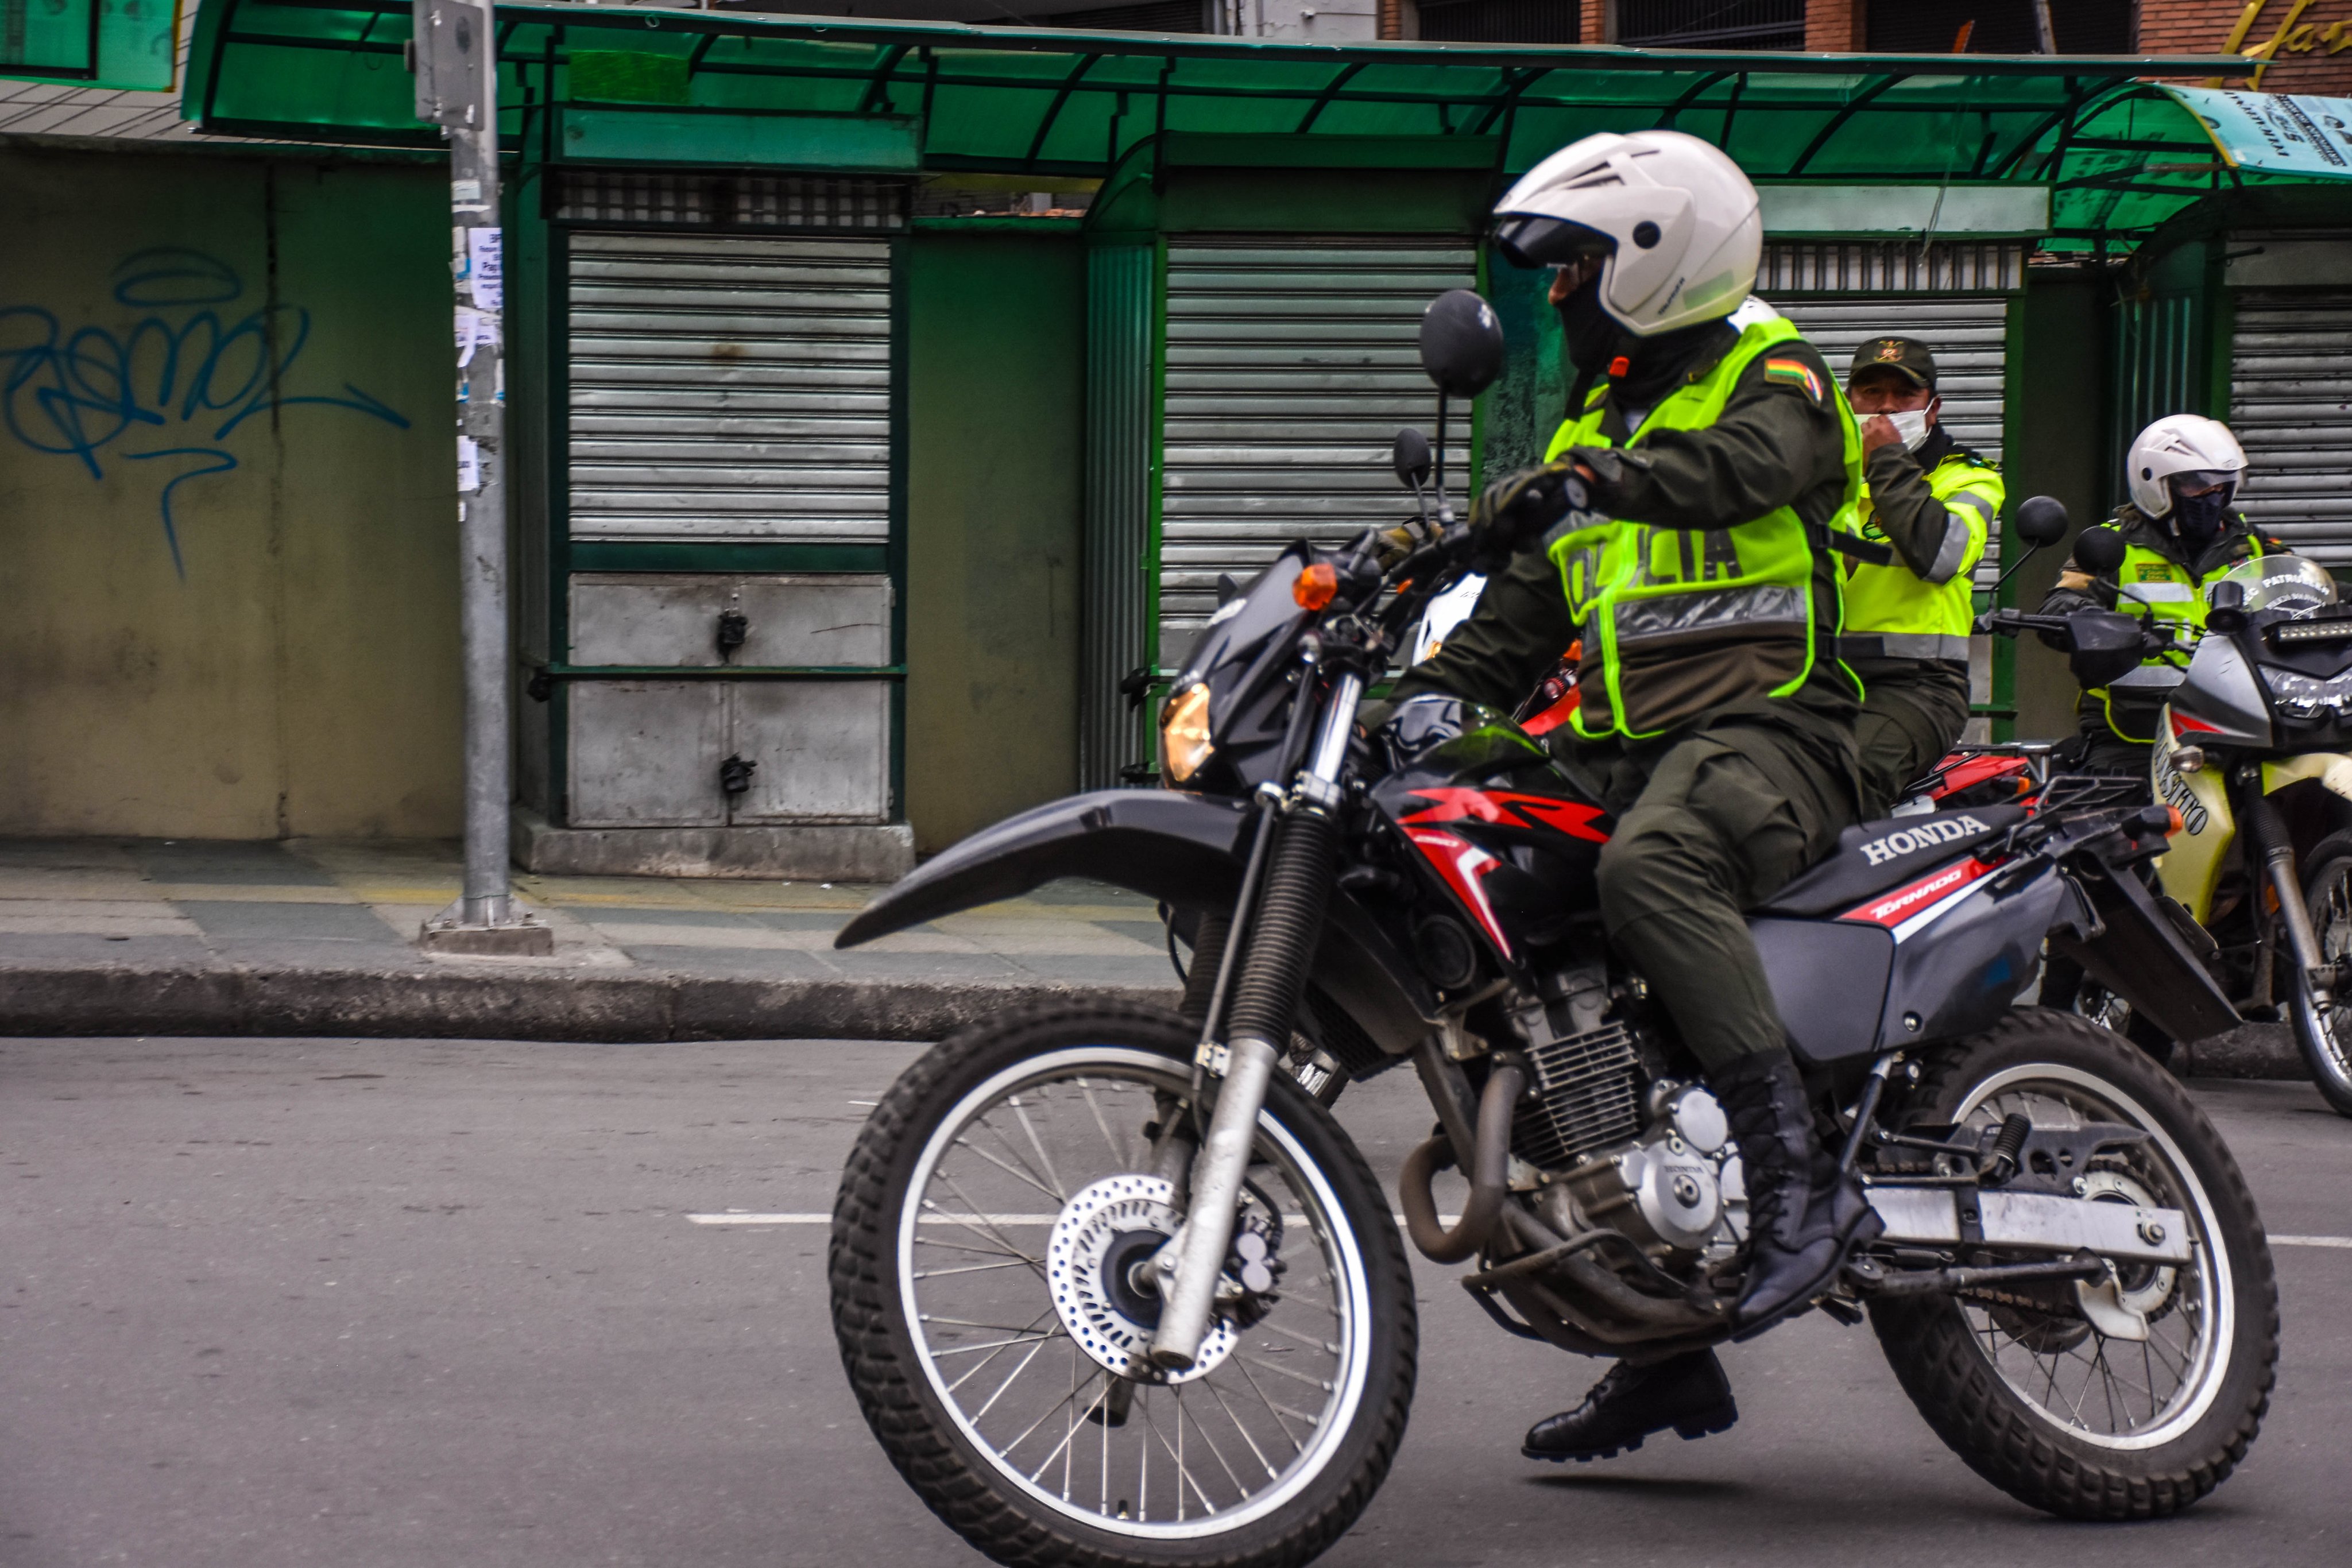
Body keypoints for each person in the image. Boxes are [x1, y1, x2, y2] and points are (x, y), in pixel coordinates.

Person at [1387, 129, 1878, 1465]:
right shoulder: (1595, 422)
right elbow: (1523, 623)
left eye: (1577, 268)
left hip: (1771, 733)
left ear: (1657, 261)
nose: (1555, 295)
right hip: (1619, 748)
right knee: (1441, 835)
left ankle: (1798, 1194)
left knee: (1648, 871)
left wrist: (1594, 480)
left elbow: (1745, 474)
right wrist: (1409, 710)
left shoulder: (1768, 374)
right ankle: (1662, 1347)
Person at [2040, 415, 2272, 775]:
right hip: (2133, 735)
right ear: (2155, 483)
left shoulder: (2255, 546)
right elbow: (2060, 607)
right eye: (2197, 485)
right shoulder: (2113, 546)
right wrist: (2112, 630)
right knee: (2108, 822)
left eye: (2222, 485)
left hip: (2238, 730)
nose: (2213, 497)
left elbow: (2307, 591)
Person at [1840, 337, 2006, 814]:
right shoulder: (1825, 473)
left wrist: (1888, 461)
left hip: (1917, 687)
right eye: (1871, 393)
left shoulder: (1969, 478)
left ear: (1932, 409)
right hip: (1817, 680)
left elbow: (1938, 555)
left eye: (1905, 395)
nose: (1887, 407)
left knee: (1846, 779)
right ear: (1848, 401)